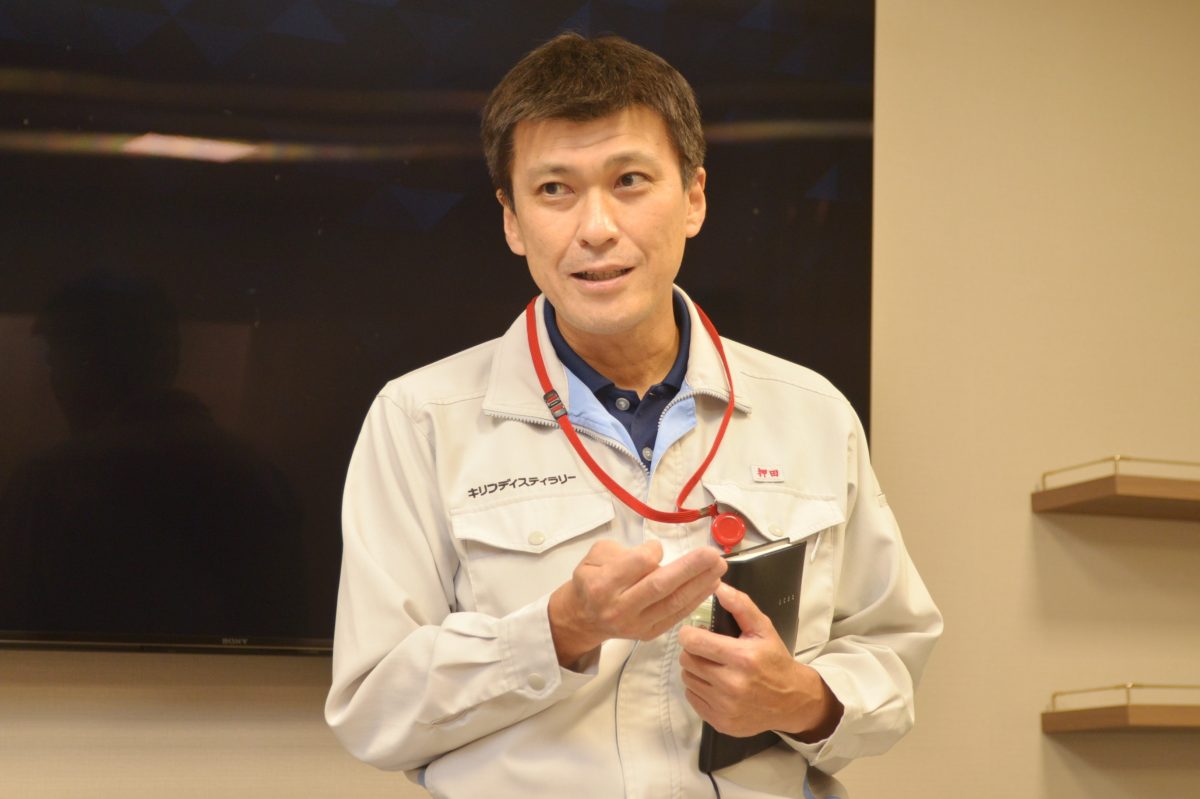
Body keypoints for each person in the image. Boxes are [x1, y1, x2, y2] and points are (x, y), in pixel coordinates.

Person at [325, 33, 942, 798]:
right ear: (512, 219)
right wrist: (560, 629)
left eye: (629, 180)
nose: (596, 227)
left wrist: (803, 699)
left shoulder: (813, 413)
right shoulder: (420, 419)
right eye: (555, 189)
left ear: (694, 197)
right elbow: (374, 707)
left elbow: (890, 646)